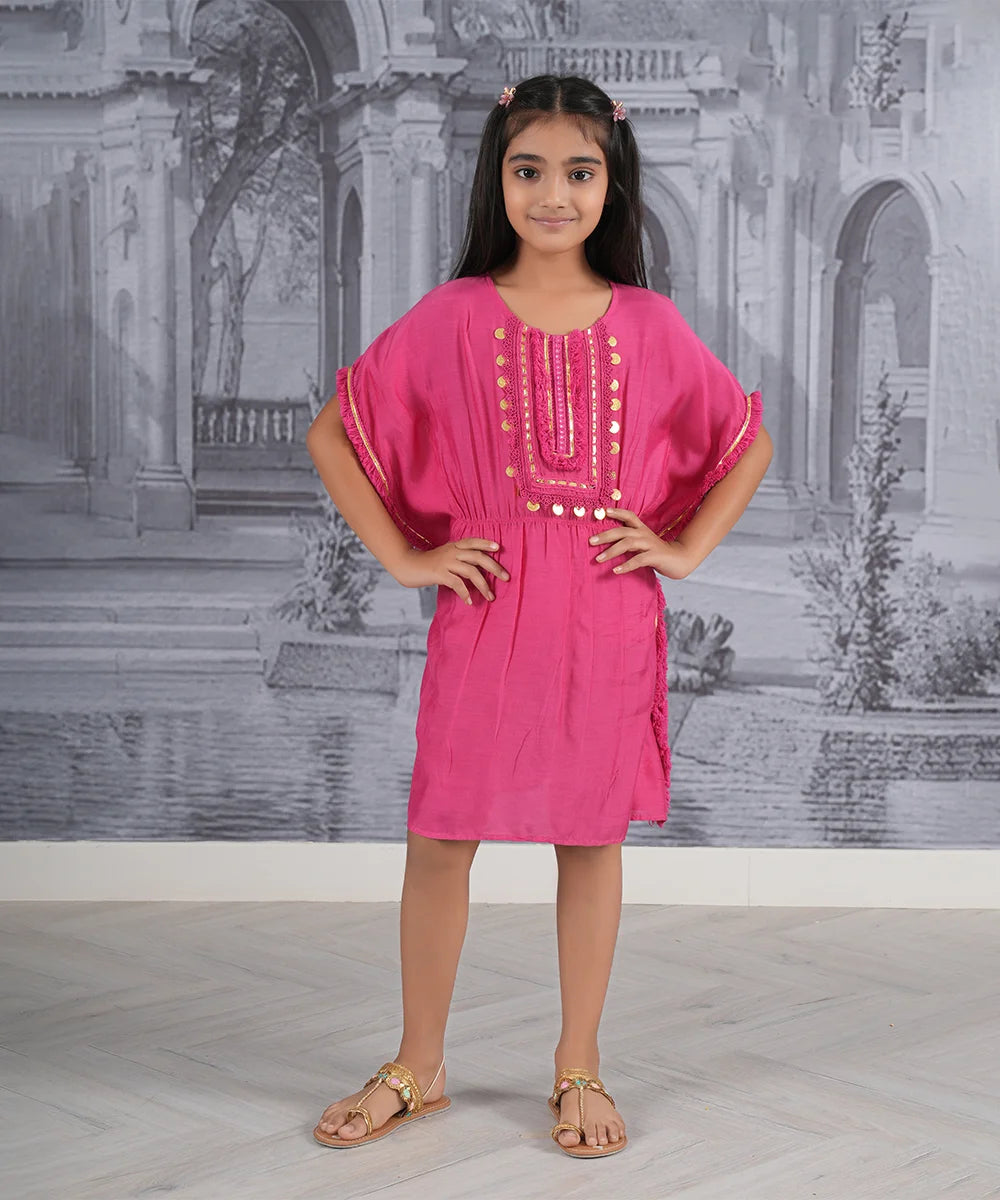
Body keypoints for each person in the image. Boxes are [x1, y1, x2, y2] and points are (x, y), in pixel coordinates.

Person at [307, 74, 772, 1158]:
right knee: (439, 836)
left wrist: (684, 549)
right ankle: (418, 1064)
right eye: (528, 170)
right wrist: (407, 558)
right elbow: (335, 432)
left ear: (612, 183)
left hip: (605, 619)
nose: (553, 195)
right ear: (497, 179)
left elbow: (744, 441)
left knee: (590, 841)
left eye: (579, 172)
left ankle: (579, 1065)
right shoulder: (451, 316)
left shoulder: (651, 324)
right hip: (485, 613)